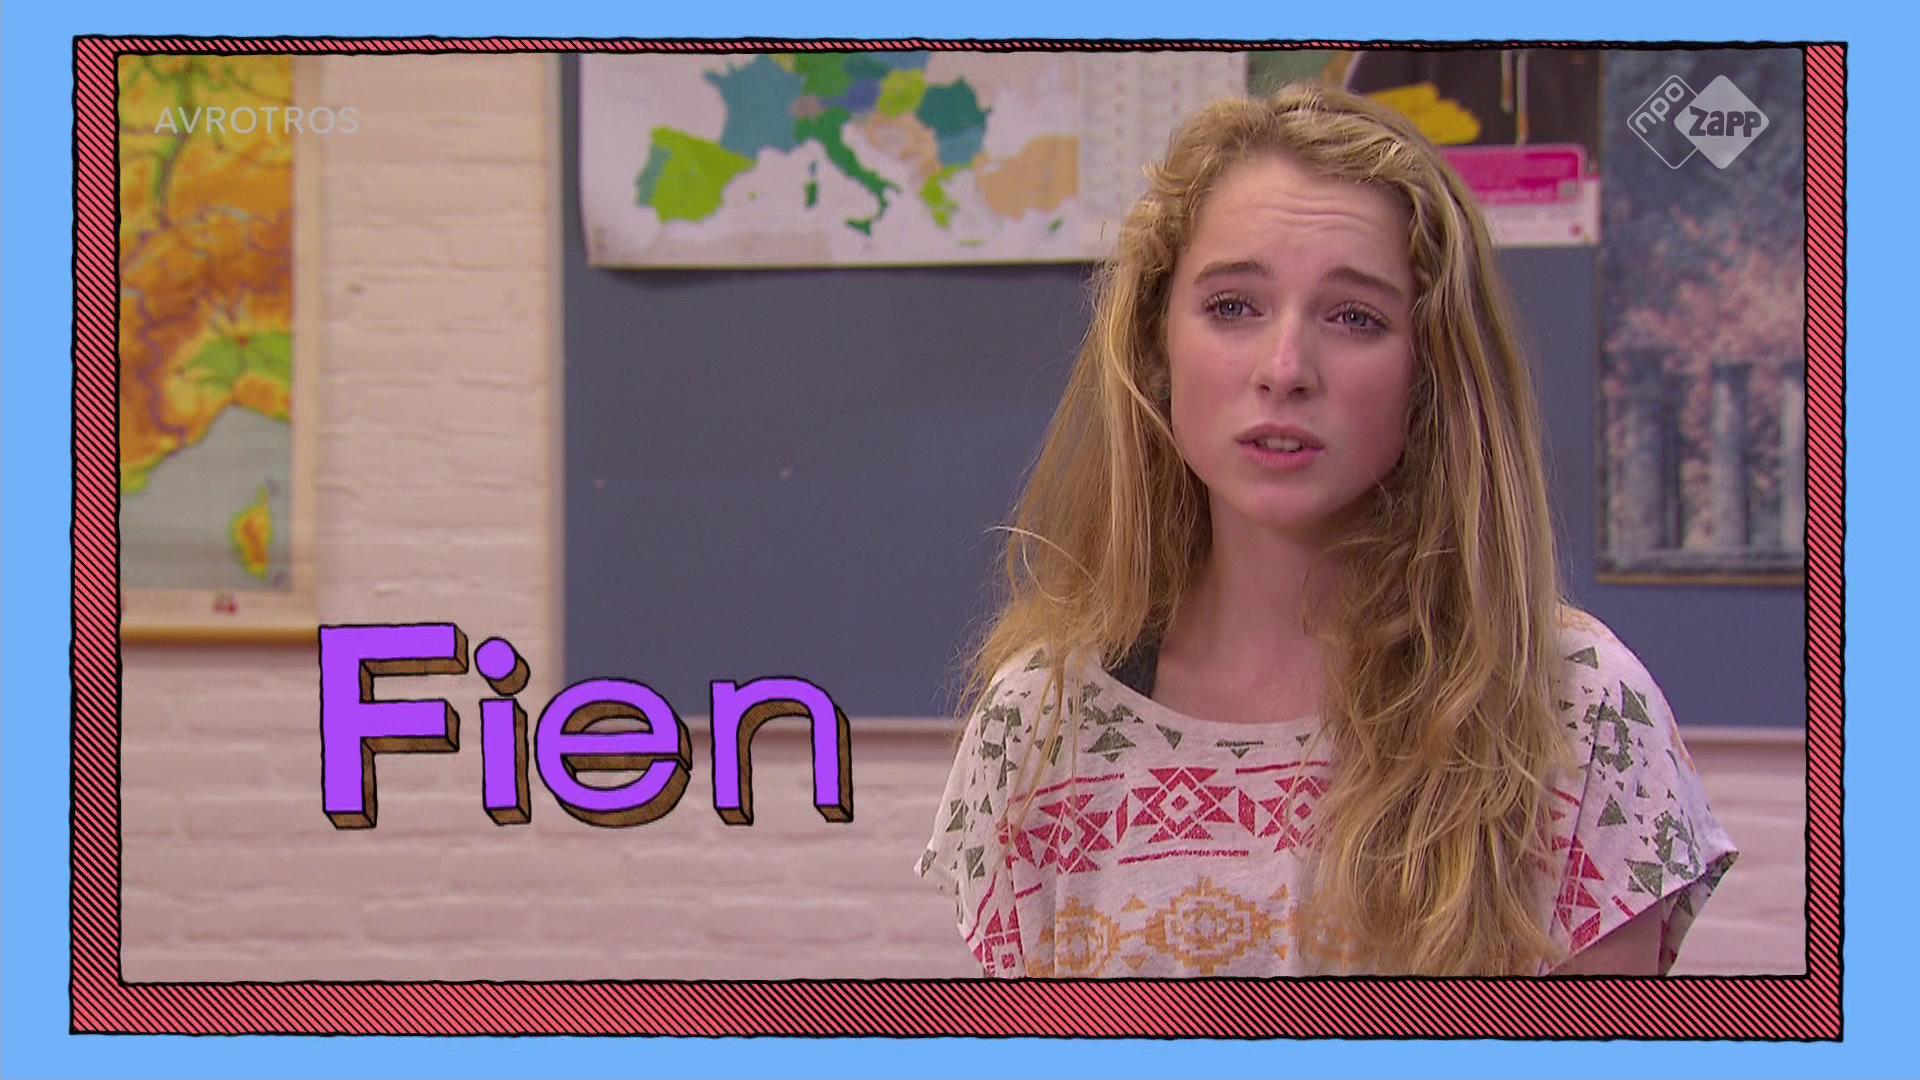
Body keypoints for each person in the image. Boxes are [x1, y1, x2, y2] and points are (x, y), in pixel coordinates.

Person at [914, 83, 1736, 977]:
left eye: (1355, 317)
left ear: (1429, 372)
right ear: (1156, 346)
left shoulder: (1579, 713)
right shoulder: (1038, 729)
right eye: (1234, 306)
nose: (1285, 369)